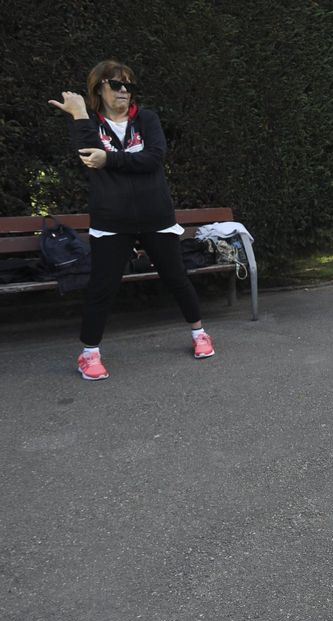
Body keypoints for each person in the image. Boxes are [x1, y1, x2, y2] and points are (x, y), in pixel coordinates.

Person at [48, 60, 213, 381]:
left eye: (129, 86)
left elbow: (154, 157)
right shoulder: (90, 123)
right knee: (102, 287)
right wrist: (80, 113)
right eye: (115, 84)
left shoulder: (147, 119)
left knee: (176, 277)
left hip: (156, 216)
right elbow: (89, 157)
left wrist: (109, 158)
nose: (124, 91)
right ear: (99, 88)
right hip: (111, 220)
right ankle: (89, 354)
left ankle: (200, 334)